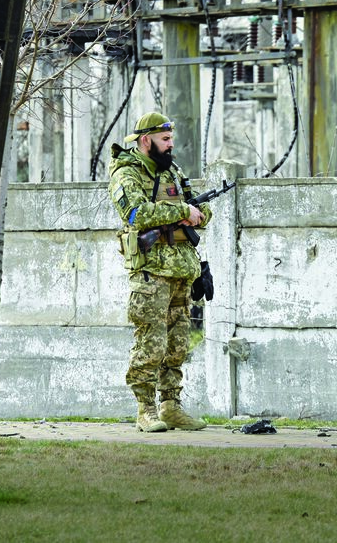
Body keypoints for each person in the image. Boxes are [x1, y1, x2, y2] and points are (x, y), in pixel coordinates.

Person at [108, 112, 212, 433]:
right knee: (150, 342)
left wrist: (194, 215)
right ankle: (145, 410)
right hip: (151, 273)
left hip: (182, 270)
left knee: (178, 343)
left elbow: (203, 211)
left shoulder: (174, 173)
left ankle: (171, 406)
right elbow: (137, 213)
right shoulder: (127, 174)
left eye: (171, 139)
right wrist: (182, 211)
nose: (170, 145)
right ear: (145, 141)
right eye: (164, 140)